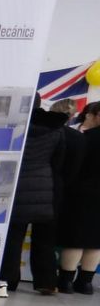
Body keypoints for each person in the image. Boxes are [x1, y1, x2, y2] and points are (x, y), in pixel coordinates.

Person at [0, 104, 66, 295]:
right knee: (44, 239)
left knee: (13, 237)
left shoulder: (15, 128)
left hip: (16, 185)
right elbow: (58, 162)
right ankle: (47, 282)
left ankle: (7, 280)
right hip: (45, 187)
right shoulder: (56, 130)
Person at [58, 101, 100, 294]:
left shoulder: (85, 138)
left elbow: (74, 166)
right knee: (95, 242)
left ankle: (66, 281)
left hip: (81, 193)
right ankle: (86, 282)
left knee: (75, 239)